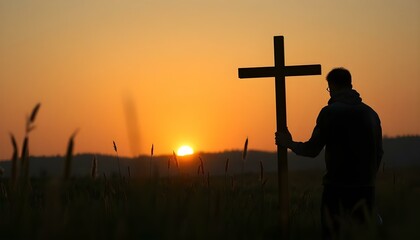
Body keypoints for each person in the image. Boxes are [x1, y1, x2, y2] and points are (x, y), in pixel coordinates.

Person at [275, 67, 383, 239]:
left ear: (331, 86)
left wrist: (289, 143)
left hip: (337, 190)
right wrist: (367, 178)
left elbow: (312, 150)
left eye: (329, 89)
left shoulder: (330, 113)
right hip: (366, 191)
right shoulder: (371, 114)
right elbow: (379, 153)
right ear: (350, 84)